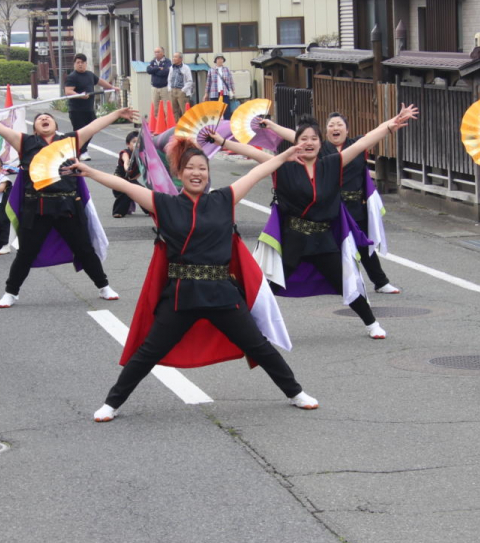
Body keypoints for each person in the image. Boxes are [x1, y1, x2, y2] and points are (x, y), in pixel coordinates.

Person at [72, 139, 319, 421]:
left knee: (259, 346)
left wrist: (285, 155)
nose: (196, 173)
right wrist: (89, 172)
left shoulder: (224, 199)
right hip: (181, 296)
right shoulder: (164, 204)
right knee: (148, 352)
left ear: (208, 173)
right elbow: (125, 186)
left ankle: (295, 393)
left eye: (202, 168)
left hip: (222, 293)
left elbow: (256, 173)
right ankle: (112, 403)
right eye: (190, 167)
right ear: (179, 173)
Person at [217, 106, 418, 339]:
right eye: (304, 138)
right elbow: (254, 153)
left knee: (345, 282)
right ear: (295, 143)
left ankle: (372, 324)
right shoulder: (283, 166)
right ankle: (240, 326)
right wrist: (222, 142)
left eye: (314, 138)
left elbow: (362, 143)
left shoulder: (331, 164)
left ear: (321, 143)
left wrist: (390, 125)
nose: (309, 142)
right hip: (293, 239)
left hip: (322, 240)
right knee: (268, 285)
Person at [0, 106, 138, 308]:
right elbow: (1, 128)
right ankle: (11, 292)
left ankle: (103, 286)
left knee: (84, 249)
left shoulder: (70, 140)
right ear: (35, 128)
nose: (44, 119)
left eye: (48, 117)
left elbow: (93, 126)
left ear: (55, 125)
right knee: (26, 252)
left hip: (68, 206)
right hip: (36, 208)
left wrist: (116, 114)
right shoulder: (25, 142)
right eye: (40, 118)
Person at [262, 112, 400, 295]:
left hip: (355, 206)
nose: (335, 128)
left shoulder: (355, 146)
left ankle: (380, 282)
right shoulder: (321, 149)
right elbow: (295, 136)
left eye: (339, 125)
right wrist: (272, 126)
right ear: (325, 133)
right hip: (330, 206)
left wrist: (392, 122)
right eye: (331, 125)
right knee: (329, 247)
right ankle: (334, 282)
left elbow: (375, 133)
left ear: (347, 130)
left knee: (364, 243)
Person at [63, 53, 116, 161]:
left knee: (92, 129)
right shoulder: (72, 77)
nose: (80, 64)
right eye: (78, 62)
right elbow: (68, 91)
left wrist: (112, 87)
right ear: (74, 64)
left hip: (89, 109)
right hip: (76, 110)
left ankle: (79, 150)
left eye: (82, 62)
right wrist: (80, 95)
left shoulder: (90, 74)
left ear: (86, 63)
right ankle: (82, 151)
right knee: (80, 131)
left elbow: (100, 81)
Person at [112, 130, 142, 218]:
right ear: (128, 144)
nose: (137, 144)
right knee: (126, 191)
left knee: (143, 192)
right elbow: (126, 161)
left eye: (139, 142)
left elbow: (141, 171)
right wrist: (127, 168)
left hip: (130, 181)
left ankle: (150, 210)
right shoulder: (125, 153)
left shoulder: (142, 155)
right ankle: (118, 212)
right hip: (118, 181)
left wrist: (134, 179)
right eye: (134, 142)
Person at [165, 52, 193, 120]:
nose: (173, 59)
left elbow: (190, 81)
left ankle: (186, 125)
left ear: (180, 59)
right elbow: (169, 79)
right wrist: (169, 89)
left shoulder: (186, 68)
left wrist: (183, 90)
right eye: (173, 57)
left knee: (184, 110)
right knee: (174, 111)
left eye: (175, 57)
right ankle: (175, 124)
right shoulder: (171, 68)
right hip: (173, 90)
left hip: (182, 91)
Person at [146, 46, 172, 114]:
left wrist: (154, 70)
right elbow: (148, 70)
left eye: (158, 52)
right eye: (155, 52)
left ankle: (167, 120)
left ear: (163, 53)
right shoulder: (153, 61)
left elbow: (166, 72)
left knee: (166, 107)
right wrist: (158, 68)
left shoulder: (167, 61)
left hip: (164, 87)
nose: (156, 54)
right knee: (155, 107)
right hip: (154, 87)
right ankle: (156, 120)